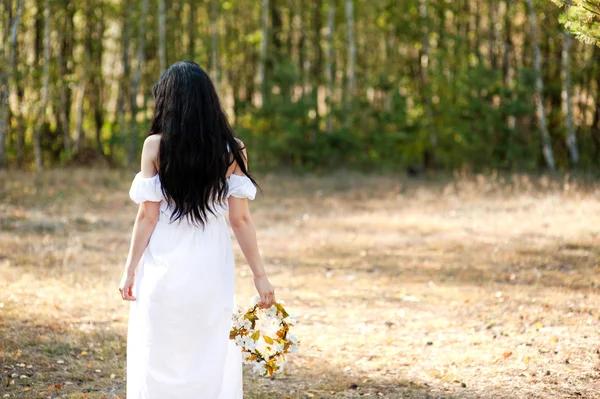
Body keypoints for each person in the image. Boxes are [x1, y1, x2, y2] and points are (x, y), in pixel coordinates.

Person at [118, 61, 275, 399]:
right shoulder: (232, 149)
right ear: (209, 100)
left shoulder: (154, 146)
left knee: (158, 345)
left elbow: (148, 217)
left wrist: (130, 270)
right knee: (211, 346)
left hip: (164, 261)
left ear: (167, 101)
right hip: (210, 261)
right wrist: (259, 275)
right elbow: (240, 220)